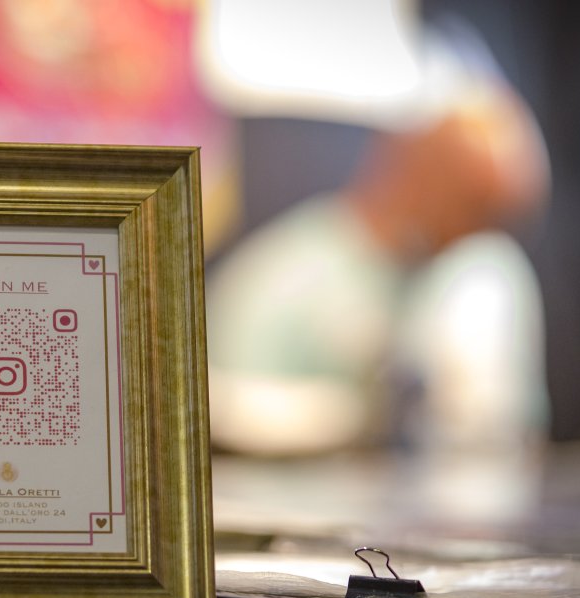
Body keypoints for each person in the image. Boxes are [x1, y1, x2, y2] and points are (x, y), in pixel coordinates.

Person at [206, 79, 550, 457]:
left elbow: (515, 429)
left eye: (496, 220)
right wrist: (354, 417)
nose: (475, 238)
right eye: (472, 207)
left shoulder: (482, 278)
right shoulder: (280, 280)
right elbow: (226, 419)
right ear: (413, 170)